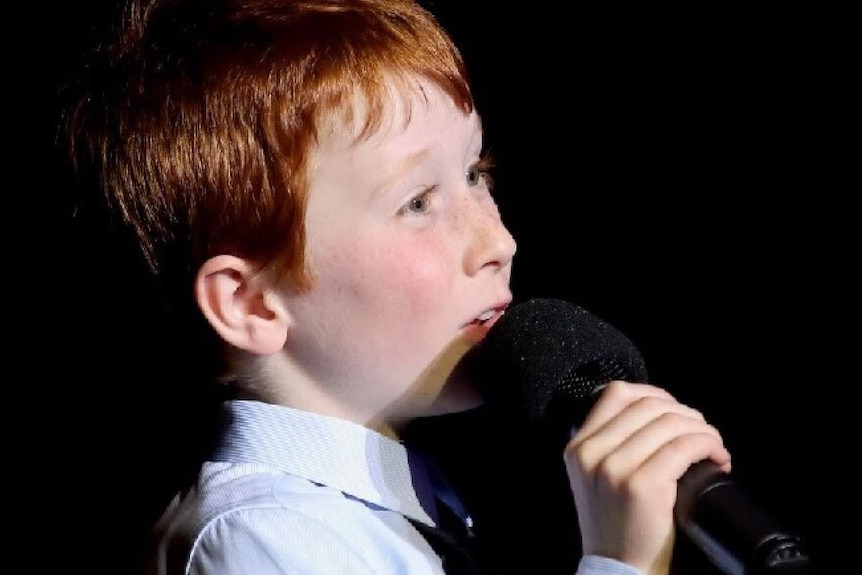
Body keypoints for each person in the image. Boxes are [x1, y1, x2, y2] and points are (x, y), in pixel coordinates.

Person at [60, 1, 731, 574]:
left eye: (476, 174)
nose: (498, 242)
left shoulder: (398, 505)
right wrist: (620, 563)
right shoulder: (263, 539)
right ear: (250, 302)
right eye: (417, 203)